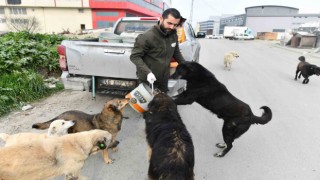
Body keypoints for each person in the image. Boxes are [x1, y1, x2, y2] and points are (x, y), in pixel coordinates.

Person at [130, 8, 186, 93]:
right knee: (149, 105)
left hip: (163, 78)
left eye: (175, 25)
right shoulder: (147, 37)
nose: (172, 27)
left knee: (162, 104)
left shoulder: (173, 35)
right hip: (149, 79)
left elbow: (176, 52)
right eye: (169, 23)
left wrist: (186, 66)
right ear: (161, 19)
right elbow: (134, 57)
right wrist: (148, 72)